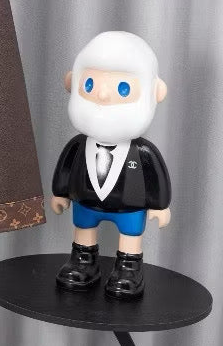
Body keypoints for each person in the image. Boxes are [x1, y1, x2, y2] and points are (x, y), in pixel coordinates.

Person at [51, 31, 171, 299]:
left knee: (130, 235)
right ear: (72, 82)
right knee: (83, 230)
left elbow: (156, 177)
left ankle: (129, 268)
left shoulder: (142, 152)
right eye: (90, 84)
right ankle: (83, 261)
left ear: (156, 92)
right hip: (86, 203)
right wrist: (60, 193)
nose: (103, 95)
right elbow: (65, 168)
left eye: (123, 88)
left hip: (129, 207)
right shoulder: (78, 145)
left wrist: (160, 205)